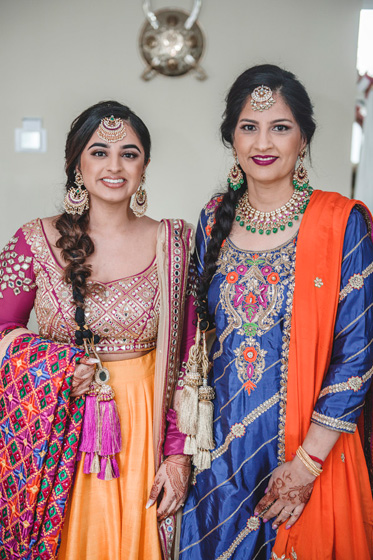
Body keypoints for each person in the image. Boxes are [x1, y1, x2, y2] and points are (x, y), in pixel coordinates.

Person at [178, 65, 373, 559]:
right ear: (232, 138)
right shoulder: (211, 218)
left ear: (302, 138)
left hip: (306, 450)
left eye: (279, 127)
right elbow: (194, 338)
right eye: (249, 126)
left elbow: (358, 352)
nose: (263, 141)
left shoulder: (341, 223)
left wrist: (307, 464)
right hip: (217, 455)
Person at [0, 101, 196, 560]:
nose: (114, 165)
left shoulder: (175, 242)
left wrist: (177, 455)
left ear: (145, 166)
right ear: (76, 164)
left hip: (144, 426)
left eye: (129, 153)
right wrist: (57, 365)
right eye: (99, 151)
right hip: (58, 422)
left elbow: (191, 359)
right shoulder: (32, 240)